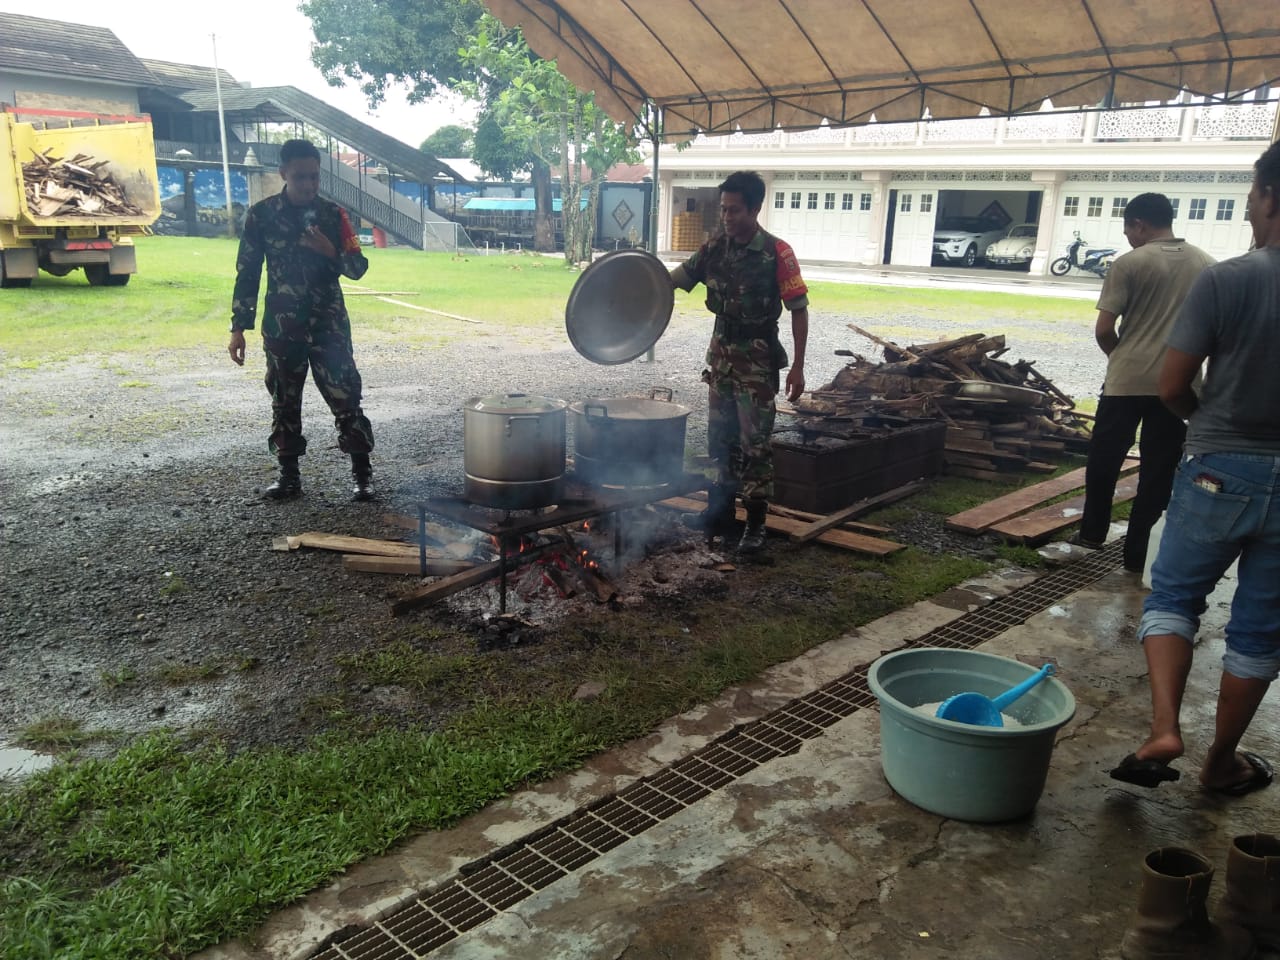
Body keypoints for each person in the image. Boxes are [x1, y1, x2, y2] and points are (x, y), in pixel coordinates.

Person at [1109, 141, 1280, 795]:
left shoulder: (1229, 278)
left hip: (1218, 466)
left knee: (1175, 597)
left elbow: (1173, 384)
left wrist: (1201, 421)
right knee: (1260, 630)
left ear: (1267, 195)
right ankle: (1221, 762)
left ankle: (1165, 730)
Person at [227, 138, 376, 501]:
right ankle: (288, 476)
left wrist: (332, 251)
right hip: (283, 326)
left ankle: (362, 475)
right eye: (300, 177)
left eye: (314, 177)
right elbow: (248, 272)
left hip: (329, 326)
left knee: (346, 397)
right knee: (284, 402)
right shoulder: (261, 216)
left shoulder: (333, 215)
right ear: (283, 174)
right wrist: (238, 327)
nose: (308, 185)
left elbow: (358, 268)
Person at [1073, 193, 1214, 571]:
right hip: (1178, 385)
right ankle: (1137, 554)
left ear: (1139, 224)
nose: (1129, 239)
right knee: (1159, 469)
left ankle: (1091, 533)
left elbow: (1105, 328)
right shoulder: (1207, 265)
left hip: (1125, 381)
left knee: (1105, 459)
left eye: (1128, 231)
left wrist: (1120, 356)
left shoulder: (1129, 263)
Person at [670, 171, 808, 556]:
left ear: (755, 209)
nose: (726, 217)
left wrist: (797, 367)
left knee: (755, 445)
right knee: (720, 441)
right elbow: (673, 280)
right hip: (721, 360)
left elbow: (799, 310)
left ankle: (756, 524)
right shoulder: (715, 247)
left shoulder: (777, 254)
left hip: (757, 364)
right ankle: (720, 513)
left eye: (734, 210)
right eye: (723, 210)